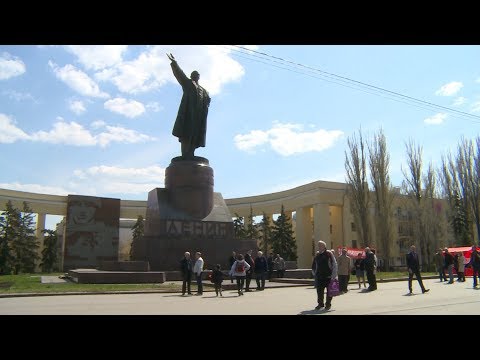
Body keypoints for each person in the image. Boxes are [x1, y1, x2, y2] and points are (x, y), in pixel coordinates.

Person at [167, 53, 211, 159]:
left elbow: (207, 101)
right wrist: (174, 63)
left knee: (195, 135)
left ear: (199, 77)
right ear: (191, 76)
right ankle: (185, 154)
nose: (195, 76)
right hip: (188, 114)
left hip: (199, 116)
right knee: (186, 134)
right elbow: (180, 74)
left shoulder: (204, 90)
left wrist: (207, 101)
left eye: (197, 75)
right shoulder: (188, 84)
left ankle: (190, 153)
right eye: (194, 74)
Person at [311, 240, 338, 310]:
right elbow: (313, 265)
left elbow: (334, 264)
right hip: (319, 276)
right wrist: (314, 273)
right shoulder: (317, 255)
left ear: (324, 246)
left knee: (329, 291)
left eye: (320, 245)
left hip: (329, 276)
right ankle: (320, 304)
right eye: (318, 245)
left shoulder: (329, 254)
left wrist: (333, 275)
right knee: (319, 291)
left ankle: (328, 304)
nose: (319, 247)